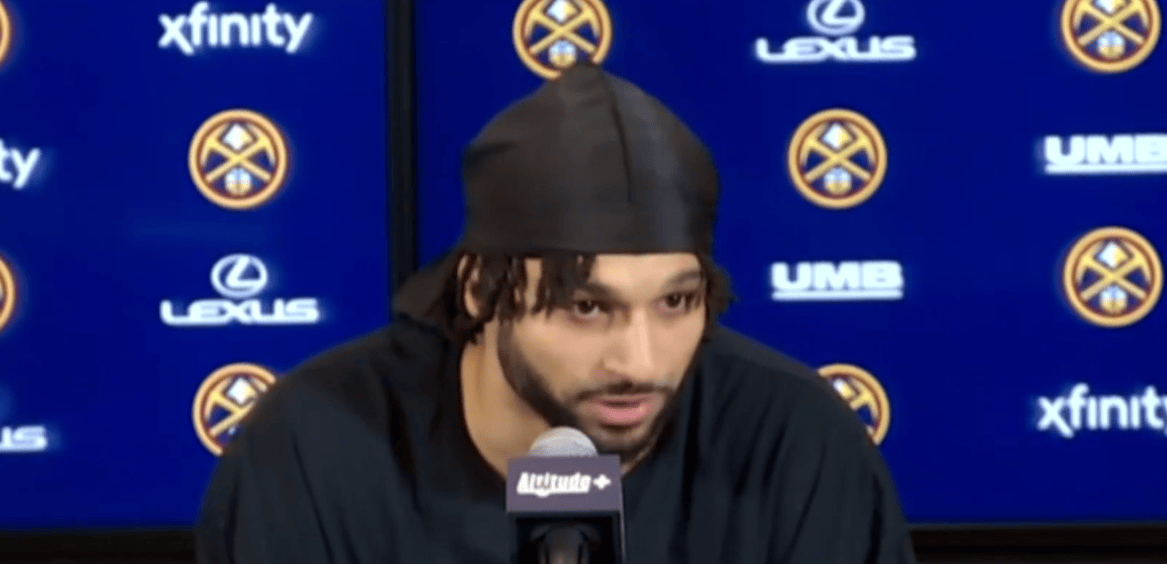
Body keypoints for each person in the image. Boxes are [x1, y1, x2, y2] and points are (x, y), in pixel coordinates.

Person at [195, 61, 918, 564]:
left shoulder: (796, 443)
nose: (640, 362)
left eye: (675, 302)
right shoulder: (313, 449)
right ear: (479, 291)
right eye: (586, 306)